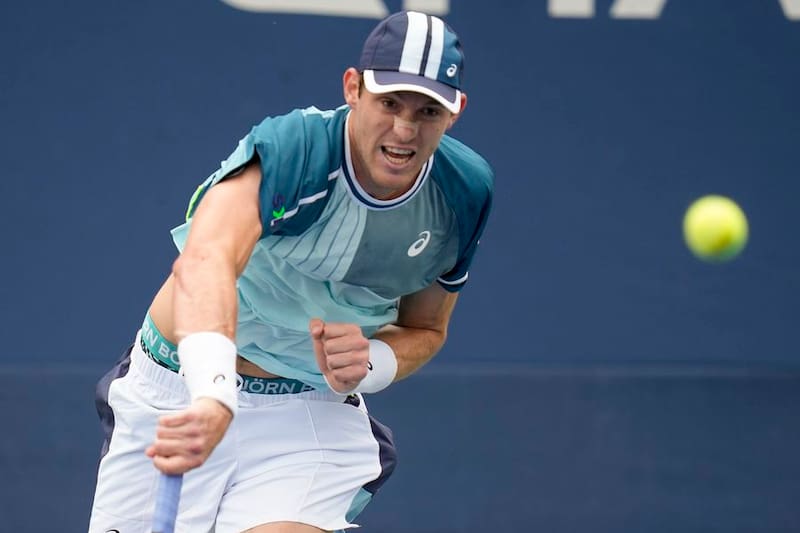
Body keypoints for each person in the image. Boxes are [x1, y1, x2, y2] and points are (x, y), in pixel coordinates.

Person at [89, 10, 493, 533]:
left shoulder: (463, 195)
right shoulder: (295, 150)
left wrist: (369, 362)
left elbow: (427, 329)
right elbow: (206, 260)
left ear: (456, 111)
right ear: (353, 88)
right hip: (178, 391)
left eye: (428, 111)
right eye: (389, 103)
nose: (404, 129)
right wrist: (214, 394)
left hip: (307, 413)